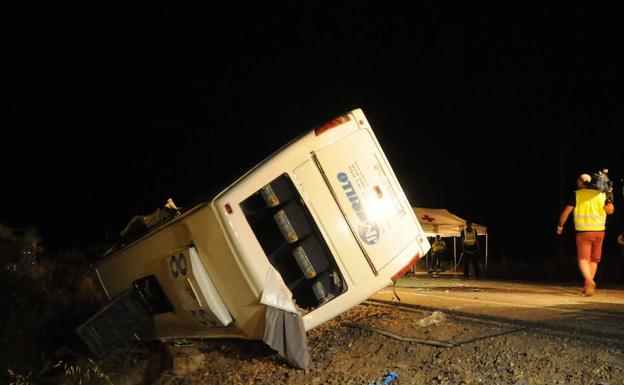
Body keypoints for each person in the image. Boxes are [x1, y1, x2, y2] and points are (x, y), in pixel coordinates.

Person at [557, 173, 615, 296]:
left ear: (582, 183)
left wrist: (560, 226)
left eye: (578, 181)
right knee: (594, 260)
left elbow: (566, 213)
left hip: (584, 232)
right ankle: (588, 286)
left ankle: (589, 281)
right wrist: (610, 196)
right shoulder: (602, 194)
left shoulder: (577, 194)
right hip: (600, 231)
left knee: (583, 259)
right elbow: (610, 211)